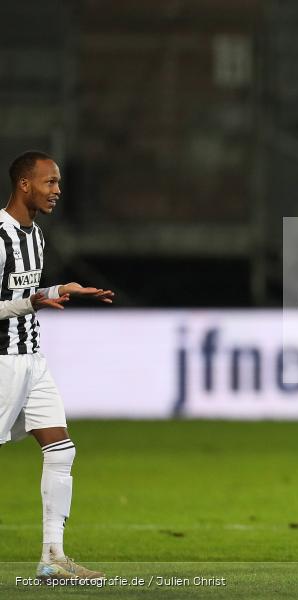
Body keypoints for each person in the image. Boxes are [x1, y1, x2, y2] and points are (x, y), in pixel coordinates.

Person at [0, 151, 114, 580]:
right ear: (24, 185)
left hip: (32, 359)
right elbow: (14, 300)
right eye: (49, 183)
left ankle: (52, 557)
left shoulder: (36, 236)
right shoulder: (0, 236)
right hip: (2, 363)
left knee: (61, 449)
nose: (57, 191)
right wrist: (30, 302)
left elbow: (28, 291)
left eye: (59, 183)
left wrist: (60, 288)